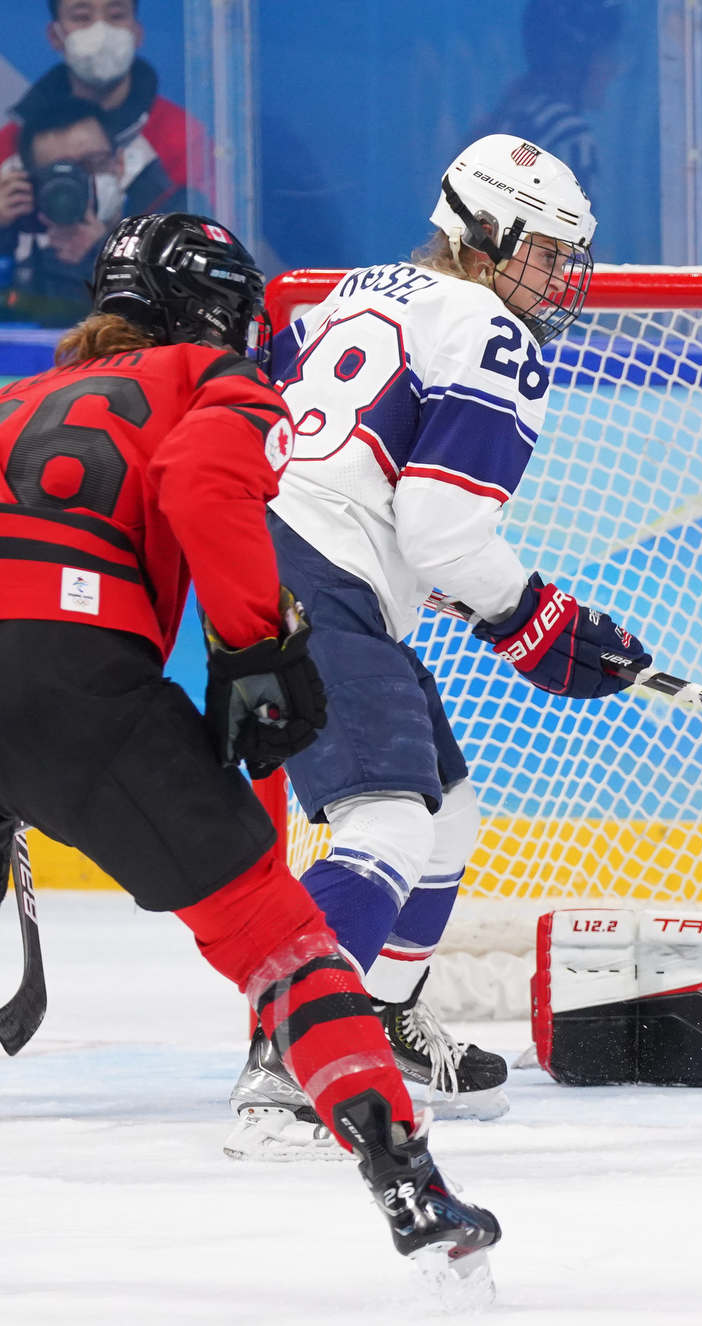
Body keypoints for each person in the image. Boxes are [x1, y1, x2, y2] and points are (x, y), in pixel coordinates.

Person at [0, 212, 497, 1268]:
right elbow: (201, 485)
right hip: (86, 691)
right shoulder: (215, 380)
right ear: (219, 309)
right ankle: (404, 1180)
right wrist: (255, 648)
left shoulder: (12, 397)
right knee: (285, 945)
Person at [227, 134, 650, 1156]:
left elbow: (353, 477)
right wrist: (533, 617)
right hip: (319, 578)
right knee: (387, 828)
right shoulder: (493, 332)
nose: (558, 277)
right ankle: (289, 1058)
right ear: (485, 235)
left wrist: (513, 612)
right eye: (545, 251)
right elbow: (441, 530)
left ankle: (380, 1015)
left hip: (280, 553)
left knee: (446, 816)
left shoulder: (353, 291)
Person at [0, 1, 210, 219]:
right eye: (82, 17)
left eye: (116, 15)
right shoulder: (9, 148)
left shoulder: (185, 139)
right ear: (55, 35)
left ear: (137, 32)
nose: (101, 30)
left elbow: (210, 236)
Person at [2, 94, 185, 325]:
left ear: (119, 164)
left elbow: (179, 316)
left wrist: (105, 255)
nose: (75, 185)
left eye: (91, 164)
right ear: (32, 182)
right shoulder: (21, 258)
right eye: (58, 173)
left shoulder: (169, 224)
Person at [471, 0, 624, 201]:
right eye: (605, 55)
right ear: (575, 61)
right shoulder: (569, 135)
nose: (615, 68)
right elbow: (577, 231)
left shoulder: (515, 112)